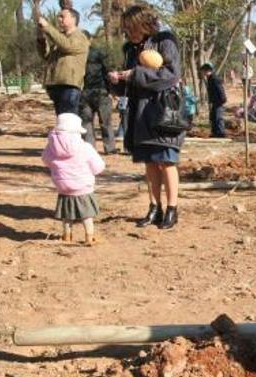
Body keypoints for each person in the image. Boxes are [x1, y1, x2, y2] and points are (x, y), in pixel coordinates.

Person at [109, 4, 184, 230]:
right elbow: (131, 84)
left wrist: (136, 74)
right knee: (150, 163)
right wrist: (118, 80)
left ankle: (172, 209)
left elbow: (171, 75)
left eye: (130, 28)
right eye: (125, 29)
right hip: (139, 113)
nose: (127, 33)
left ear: (143, 24)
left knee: (166, 160)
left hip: (163, 111)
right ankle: (154, 208)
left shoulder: (165, 41)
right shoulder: (129, 49)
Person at [42, 113, 105, 246]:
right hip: (83, 187)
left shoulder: (51, 147)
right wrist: (91, 173)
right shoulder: (85, 147)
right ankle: (89, 236)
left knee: (67, 214)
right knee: (86, 214)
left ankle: (67, 235)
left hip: (63, 187)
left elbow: (46, 161)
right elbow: (98, 166)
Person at [37, 7, 89, 116]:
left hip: (69, 86)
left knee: (68, 121)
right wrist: (41, 39)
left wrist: (47, 27)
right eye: (59, 17)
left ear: (73, 19)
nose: (59, 19)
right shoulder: (60, 39)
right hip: (57, 85)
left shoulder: (80, 37)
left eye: (62, 16)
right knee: (62, 121)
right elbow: (46, 56)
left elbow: (67, 46)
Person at [80, 31, 117, 154]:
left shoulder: (99, 53)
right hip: (83, 93)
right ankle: (89, 148)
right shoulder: (75, 55)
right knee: (86, 122)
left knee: (105, 122)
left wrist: (112, 91)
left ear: (90, 39)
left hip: (101, 92)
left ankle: (110, 148)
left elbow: (109, 71)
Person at [200, 63, 226, 138]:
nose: (202, 73)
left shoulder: (214, 79)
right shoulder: (210, 78)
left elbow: (220, 90)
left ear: (207, 71)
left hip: (219, 100)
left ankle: (221, 133)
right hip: (214, 101)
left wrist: (222, 99)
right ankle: (215, 132)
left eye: (203, 71)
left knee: (218, 117)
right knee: (213, 117)